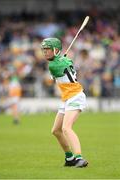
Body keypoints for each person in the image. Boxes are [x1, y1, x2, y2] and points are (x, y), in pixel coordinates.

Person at [41, 38, 88, 167]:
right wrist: (61, 59)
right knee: (56, 130)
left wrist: (59, 61)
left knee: (66, 128)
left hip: (76, 96)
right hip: (66, 97)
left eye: (48, 50)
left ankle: (79, 158)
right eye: (44, 50)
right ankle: (70, 158)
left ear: (56, 50)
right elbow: (68, 62)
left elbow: (49, 80)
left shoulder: (52, 66)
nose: (45, 52)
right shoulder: (66, 60)